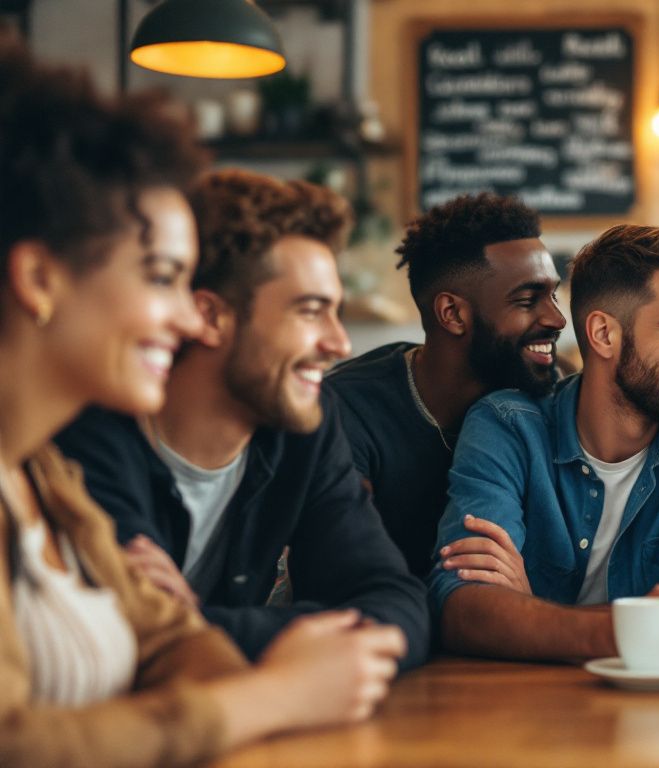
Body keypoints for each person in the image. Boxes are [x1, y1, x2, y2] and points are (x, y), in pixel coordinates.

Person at [0, 39, 403, 767]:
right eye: (161, 278)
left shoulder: (46, 485)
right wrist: (277, 695)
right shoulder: (75, 452)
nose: (186, 318)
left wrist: (242, 674)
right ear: (39, 278)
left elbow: (174, 642)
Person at [55, 169, 429, 667]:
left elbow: (399, 607)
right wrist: (304, 640)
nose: (339, 344)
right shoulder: (92, 434)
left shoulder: (306, 427)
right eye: (311, 311)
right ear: (210, 317)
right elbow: (126, 639)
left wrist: (198, 623)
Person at [430, 224, 659, 661]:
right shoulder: (508, 427)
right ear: (604, 334)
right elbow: (463, 607)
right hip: (521, 709)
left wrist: (530, 614)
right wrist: (629, 629)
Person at [327, 193, 565, 574]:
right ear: (452, 314)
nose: (557, 318)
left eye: (552, 295)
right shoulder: (347, 410)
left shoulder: (553, 394)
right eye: (527, 300)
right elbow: (347, 569)